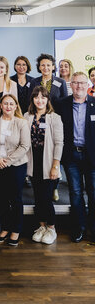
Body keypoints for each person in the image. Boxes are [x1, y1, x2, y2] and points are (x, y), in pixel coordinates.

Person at [55, 72, 95, 243]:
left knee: (93, 193)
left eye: (82, 83)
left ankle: (93, 228)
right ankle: (79, 227)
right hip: (71, 156)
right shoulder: (61, 104)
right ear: (70, 85)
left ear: (88, 85)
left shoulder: (94, 104)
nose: (79, 86)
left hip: (91, 156)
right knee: (75, 193)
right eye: (76, 83)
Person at [24, 86, 63, 245]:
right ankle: (41, 226)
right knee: (38, 197)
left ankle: (51, 228)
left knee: (46, 198)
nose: (39, 100)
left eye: (43, 97)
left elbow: (59, 143)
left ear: (47, 100)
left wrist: (55, 165)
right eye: (36, 97)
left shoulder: (54, 118)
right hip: (33, 162)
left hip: (48, 162)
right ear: (32, 99)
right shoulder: (27, 116)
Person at [0, 94, 30, 246]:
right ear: (1, 105)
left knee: (15, 198)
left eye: (11, 104)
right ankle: (5, 228)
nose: (8, 106)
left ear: (15, 106)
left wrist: (7, 161)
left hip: (16, 165)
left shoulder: (21, 122)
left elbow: (25, 146)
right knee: (2, 198)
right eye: (5, 103)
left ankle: (16, 230)